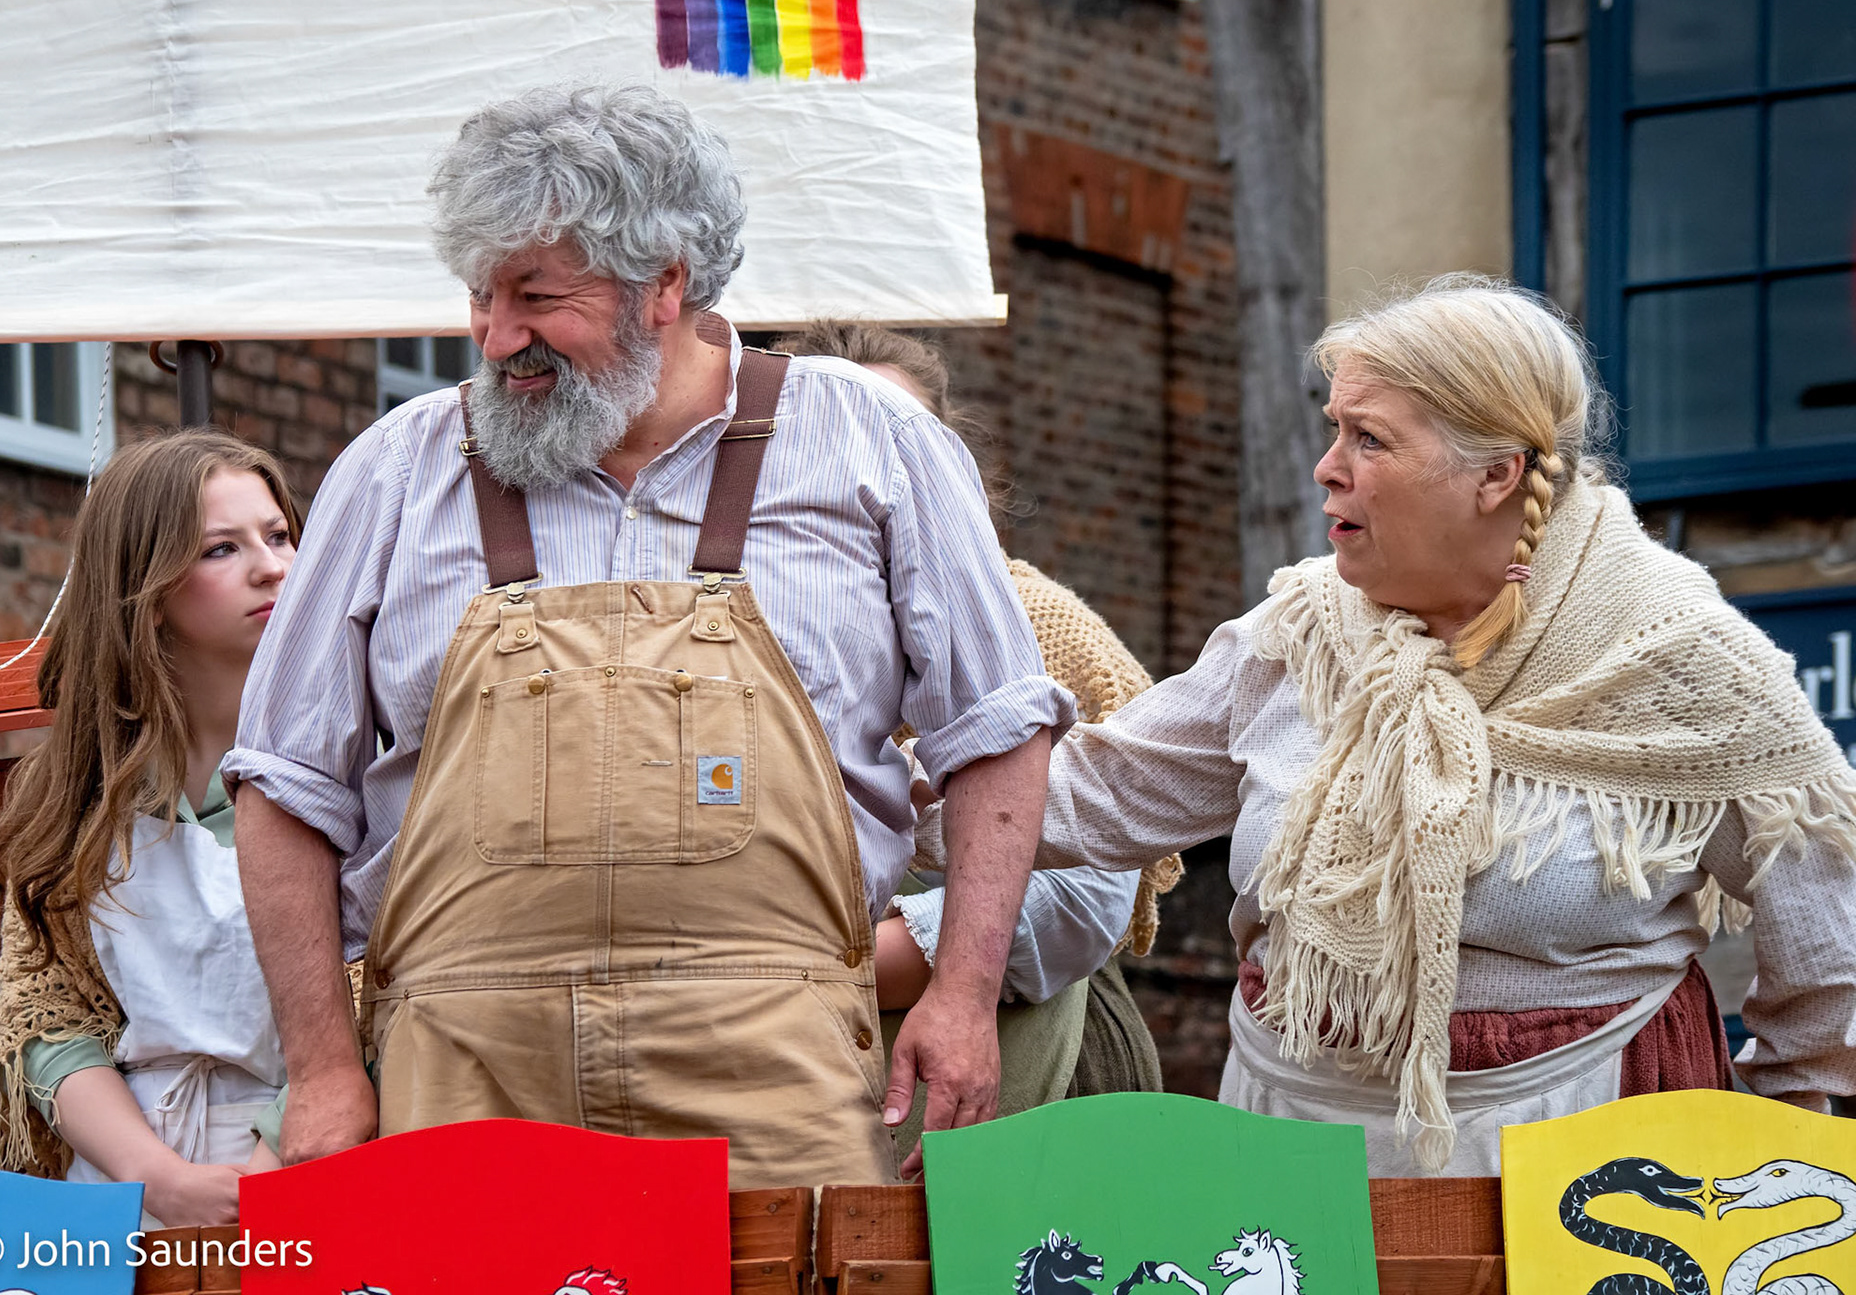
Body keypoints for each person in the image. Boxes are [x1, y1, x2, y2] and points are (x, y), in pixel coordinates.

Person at [225, 83, 1075, 1187]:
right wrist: (326, 1067)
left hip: (775, 1071)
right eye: (482, 295)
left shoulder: (870, 439)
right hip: (465, 1073)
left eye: (536, 295)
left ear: (664, 282)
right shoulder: (395, 470)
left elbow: (998, 731)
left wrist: (962, 995)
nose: (496, 336)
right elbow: (283, 786)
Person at [935, 277, 1856, 1175]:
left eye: (1369, 439)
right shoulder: (1295, 637)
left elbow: (1830, 958)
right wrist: (845, 803)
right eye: (1335, 429)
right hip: (1296, 1136)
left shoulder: (1680, 663)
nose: (1327, 466)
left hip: (1582, 1143)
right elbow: (1086, 799)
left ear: (1496, 474)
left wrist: (1770, 1152)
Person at [773, 320, 1182, 1142]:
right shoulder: (738, 620)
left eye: (894, 432)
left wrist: (870, 963)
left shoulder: (1041, 626)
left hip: (1027, 1062)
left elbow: (1086, 877)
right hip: (783, 1071)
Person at [0, 430, 300, 1225]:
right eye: (222, 548)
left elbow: (378, 999)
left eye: (281, 534)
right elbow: (44, 1016)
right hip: (118, 1190)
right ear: (144, 590)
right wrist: (155, 1179)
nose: (272, 565)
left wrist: (258, 1179)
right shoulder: (69, 798)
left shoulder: (352, 772)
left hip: (303, 1169)